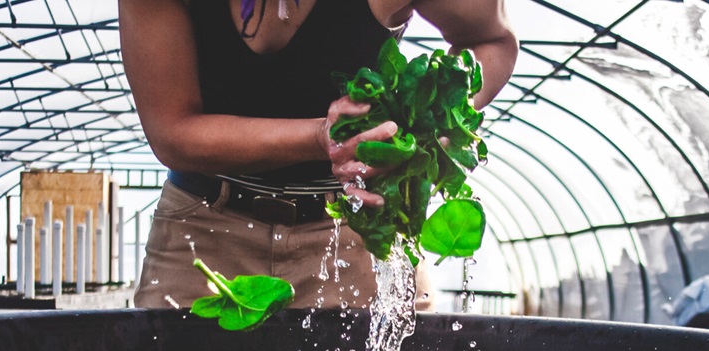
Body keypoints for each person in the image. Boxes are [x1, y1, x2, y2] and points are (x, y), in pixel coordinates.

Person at [119, 0, 518, 310]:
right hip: (204, 234)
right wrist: (319, 137)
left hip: (358, 234)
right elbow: (172, 131)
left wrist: (421, 126)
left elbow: (493, 41)